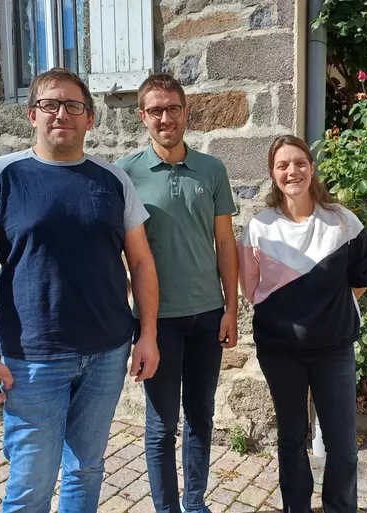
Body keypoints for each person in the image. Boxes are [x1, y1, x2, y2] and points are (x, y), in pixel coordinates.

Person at [0, 67, 160, 513]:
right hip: (32, 359)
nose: (61, 113)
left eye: (73, 105)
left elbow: (141, 262)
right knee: (31, 484)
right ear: (32, 115)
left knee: (86, 469)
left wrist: (147, 335)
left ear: (89, 119)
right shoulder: (1, 176)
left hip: (107, 353)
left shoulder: (112, 180)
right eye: (50, 104)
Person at [116, 73, 239, 513]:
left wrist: (232, 310)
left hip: (208, 314)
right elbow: (119, 252)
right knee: (161, 424)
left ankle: (195, 503)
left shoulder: (212, 170)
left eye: (173, 109)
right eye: (155, 110)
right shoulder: (125, 173)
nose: (165, 118)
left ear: (186, 112)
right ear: (143, 117)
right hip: (157, 320)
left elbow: (225, 244)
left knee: (201, 418)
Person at [238, 135, 367, 513]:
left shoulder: (343, 222)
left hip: (334, 350)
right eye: (282, 165)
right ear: (273, 174)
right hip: (280, 352)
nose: (291, 171)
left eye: (299, 162)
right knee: (291, 438)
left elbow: (361, 280)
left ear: (312, 168)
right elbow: (252, 288)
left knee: (343, 444)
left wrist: (325, 315)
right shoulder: (260, 227)